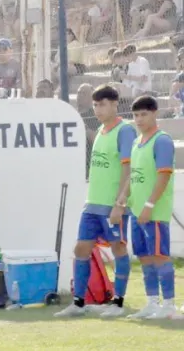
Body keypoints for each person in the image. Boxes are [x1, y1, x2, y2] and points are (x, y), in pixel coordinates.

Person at [56, 85, 136, 318]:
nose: (98, 109)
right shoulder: (100, 130)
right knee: (81, 248)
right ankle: (79, 303)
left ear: (114, 104)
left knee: (118, 248)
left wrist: (120, 203)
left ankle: (118, 303)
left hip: (113, 205)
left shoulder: (125, 131)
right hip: (92, 204)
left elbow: (129, 169)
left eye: (102, 104)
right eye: (95, 105)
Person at [125, 95, 177, 319]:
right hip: (137, 212)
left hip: (154, 212)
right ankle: (152, 302)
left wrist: (148, 205)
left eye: (144, 114)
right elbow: (133, 176)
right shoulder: (136, 143)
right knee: (144, 257)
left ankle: (169, 305)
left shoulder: (162, 140)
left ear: (155, 114)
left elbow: (163, 176)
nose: (139, 119)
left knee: (159, 256)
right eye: (135, 115)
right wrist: (122, 202)